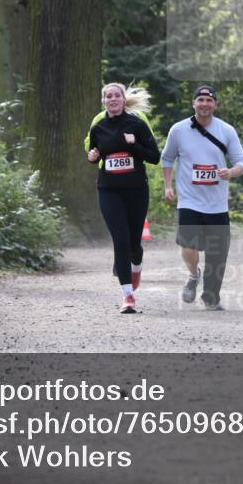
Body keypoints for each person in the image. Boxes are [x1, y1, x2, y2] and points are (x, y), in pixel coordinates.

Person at [161, 85, 243, 310]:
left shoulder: (226, 130)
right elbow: (168, 159)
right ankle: (193, 275)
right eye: (200, 100)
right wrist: (168, 186)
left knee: (217, 254)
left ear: (215, 105)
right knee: (187, 244)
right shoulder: (178, 130)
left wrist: (231, 172)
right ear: (193, 104)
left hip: (217, 204)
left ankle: (211, 298)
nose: (204, 104)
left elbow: (242, 162)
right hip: (189, 200)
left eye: (209, 101)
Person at [86, 83, 160, 314]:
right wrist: (92, 156)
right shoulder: (98, 127)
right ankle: (128, 295)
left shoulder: (136, 124)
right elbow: (94, 154)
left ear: (123, 99)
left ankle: (136, 264)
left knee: (134, 244)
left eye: (117, 95)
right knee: (120, 240)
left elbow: (154, 157)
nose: (113, 99)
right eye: (108, 96)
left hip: (136, 189)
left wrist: (134, 145)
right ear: (104, 101)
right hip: (109, 190)